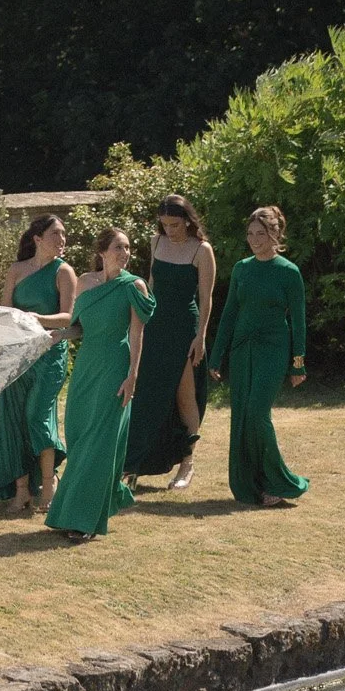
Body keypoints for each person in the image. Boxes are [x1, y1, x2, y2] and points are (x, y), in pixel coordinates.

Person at [45, 226, 152, 543]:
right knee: (79, 437)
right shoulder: (85, 282)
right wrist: (58, 336)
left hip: (115, 368)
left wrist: (132, 375)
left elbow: (136, 334)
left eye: (128, 247)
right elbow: (78, 328)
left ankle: (85, 520)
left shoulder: (135, 286)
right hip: (86, 370)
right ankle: (76, 510)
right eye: (119, 247)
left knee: (100, 443)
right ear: (102, 251)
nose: (125, 253)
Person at [0, 214, 76, 513]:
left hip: (49, 354)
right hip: (16, 355)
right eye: (56, 234)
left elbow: (68, 317)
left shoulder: (64, 272)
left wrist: (36, 319)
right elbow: (5, 313)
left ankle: (49, 486)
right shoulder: (16, 270)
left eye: (64, 234)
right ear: (37, 239)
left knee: (37, 416)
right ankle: (22, 490)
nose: (62, 239)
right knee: (10, 416)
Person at [207, 205, 308, 506]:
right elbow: (229, 314)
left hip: (273, 349)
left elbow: (300, 320)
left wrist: (298, 363)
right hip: (241, 349)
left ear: (275, 234)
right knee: (242, 416)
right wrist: (216, 356)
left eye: (260, 234)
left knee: (257, 414)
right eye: (250, 234)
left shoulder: (289, 272)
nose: (254, 239)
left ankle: (279, 483)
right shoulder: (241, 268)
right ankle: (250, 485)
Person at [126, 194, 217, 491]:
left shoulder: (202, 250)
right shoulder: (156, 243)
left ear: (188, 220)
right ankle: (134, 464)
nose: (169, 230)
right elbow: (151, 285)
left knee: (184, 396)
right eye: (164, 224)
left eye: (175, 224)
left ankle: (187, 463)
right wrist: (139, 320)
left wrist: (200, 336)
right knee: (147, 396)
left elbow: (207, 298)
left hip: (184, 329)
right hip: (155, 326)